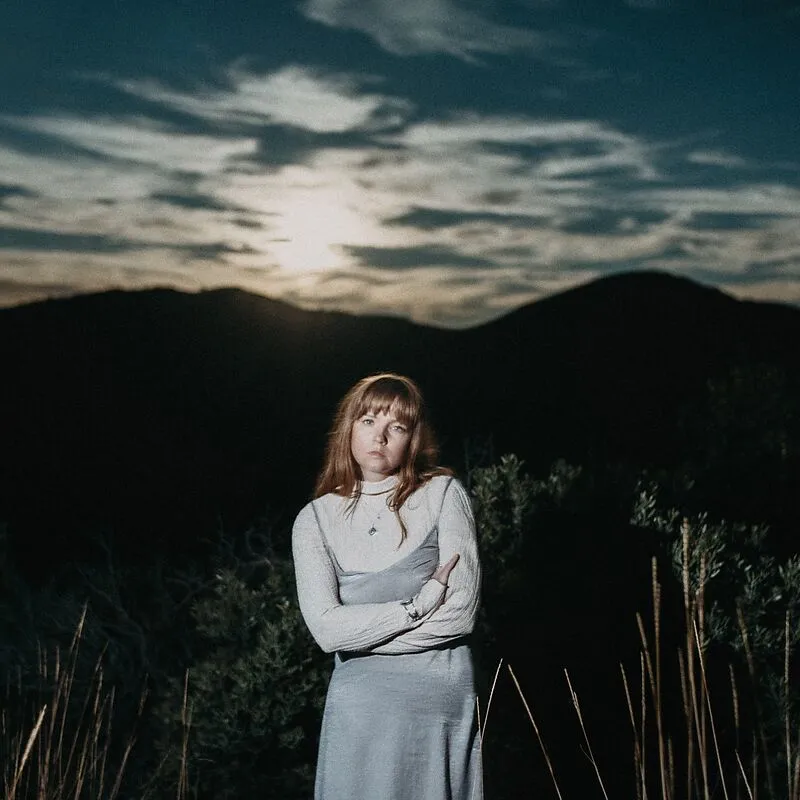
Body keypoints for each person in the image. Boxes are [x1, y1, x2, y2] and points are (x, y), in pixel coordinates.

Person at [292, 372, 483, 800]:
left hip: (436, 703)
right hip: (359, 709)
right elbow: (327, 631)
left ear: (412, 438)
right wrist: (417, 606)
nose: (379, 437)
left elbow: (460, 614)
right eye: (368, 421)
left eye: (396, 426)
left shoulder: (443, 494)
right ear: (348, 428)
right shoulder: (314, 519)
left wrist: (363, 636)